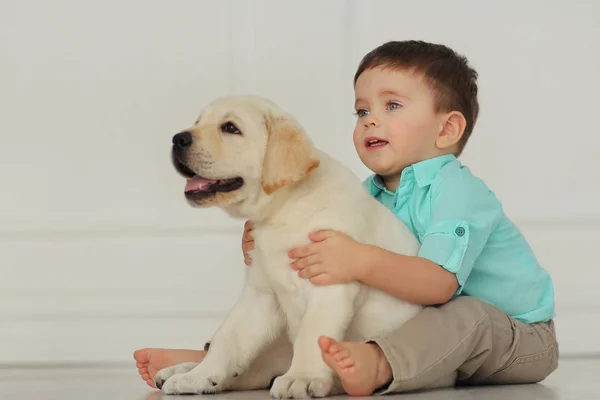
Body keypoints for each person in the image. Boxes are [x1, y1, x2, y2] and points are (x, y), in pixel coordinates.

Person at [134, 40, 559, 395]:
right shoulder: (365, 196)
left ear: (446, 130)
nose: (371, 118)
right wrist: (274, 252)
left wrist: (356, 260)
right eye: (361, 111)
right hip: (428, 337)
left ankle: (377, 363)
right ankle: (220, 363)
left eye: (392, 105)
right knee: (295, 307)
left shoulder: (459, 191)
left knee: (467, 315)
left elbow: (439, 286)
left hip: (516, 335)